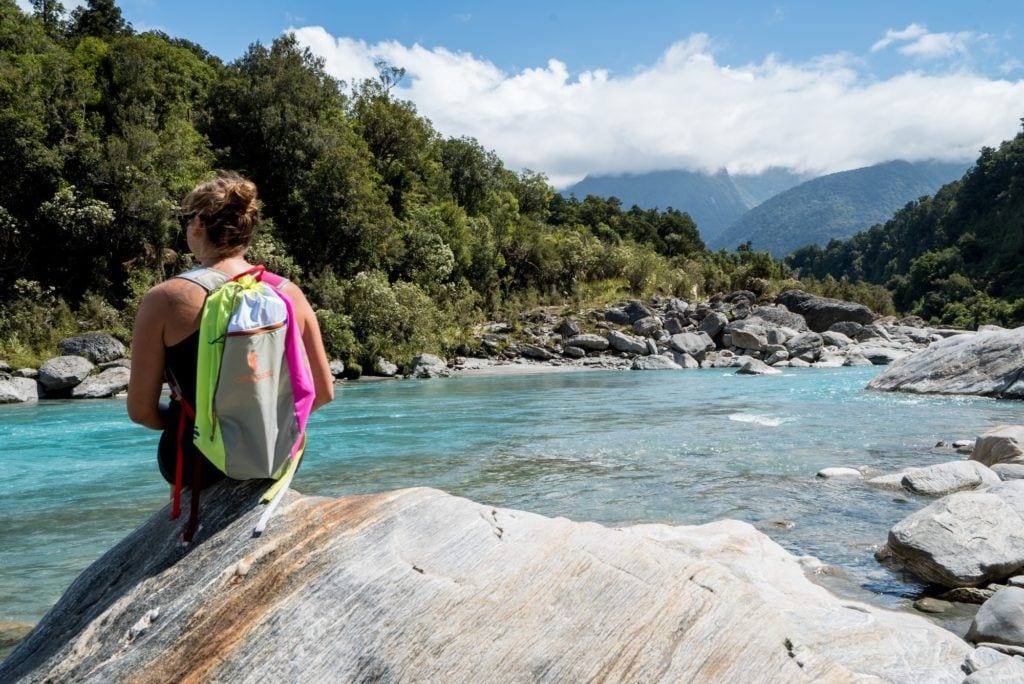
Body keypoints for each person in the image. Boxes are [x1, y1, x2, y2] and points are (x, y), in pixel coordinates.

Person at [127, 172, 334, 494]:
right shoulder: (288, 293)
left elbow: (141, 412)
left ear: (198, 224)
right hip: (276, 455)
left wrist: (194, 422)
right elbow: (321, 392)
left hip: (197, 463)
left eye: (186, 220)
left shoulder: (165, 299)